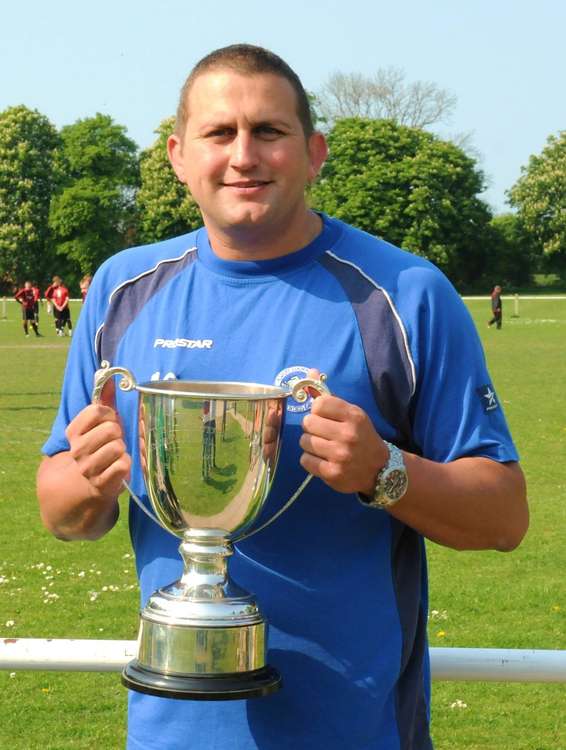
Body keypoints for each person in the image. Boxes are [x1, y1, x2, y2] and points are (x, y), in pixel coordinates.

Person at [37, 44, 528, 750]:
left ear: (314, 151)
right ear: (178, 155)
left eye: (269, 131)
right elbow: (62, 510)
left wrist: (383, 471)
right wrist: (88, 480)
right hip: (170, 731)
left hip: (356, 731)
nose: (244, 156)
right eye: (219, 133)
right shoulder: (123, 290)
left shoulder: (405, 295)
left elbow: (504, 517)